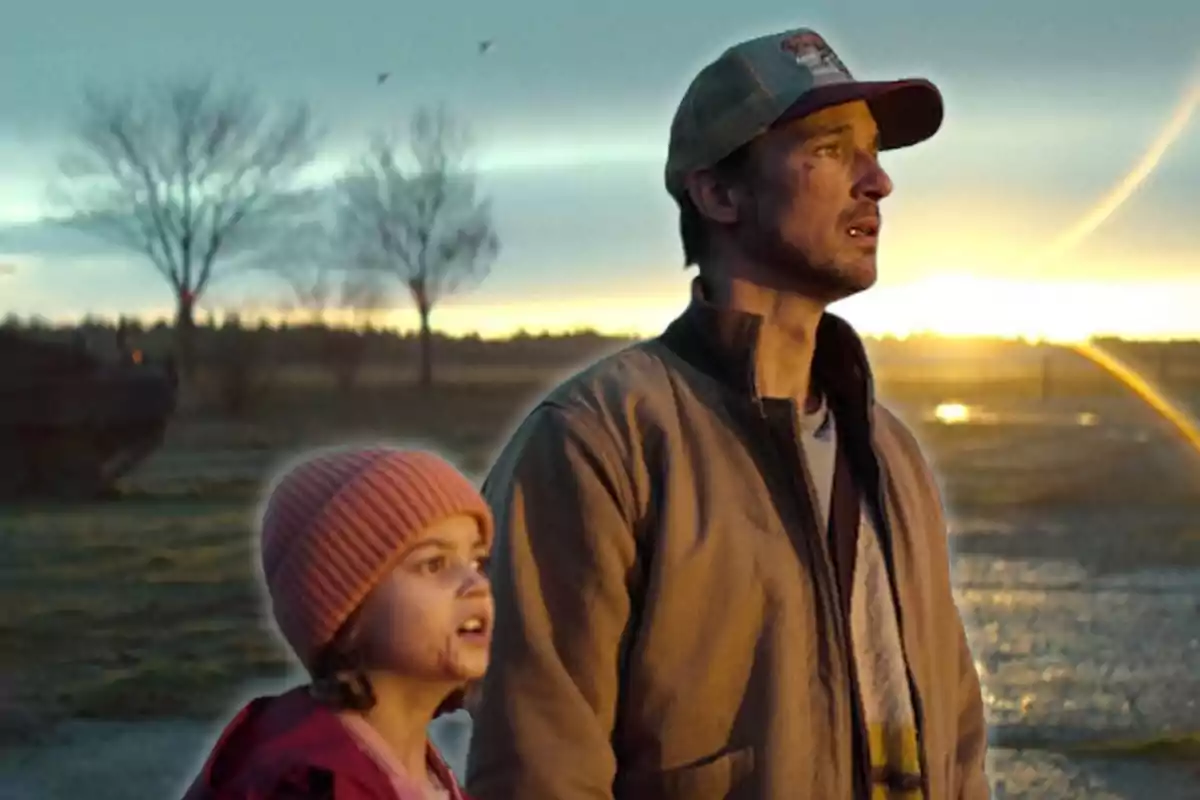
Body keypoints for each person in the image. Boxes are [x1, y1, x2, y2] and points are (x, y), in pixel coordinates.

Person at [467, 26, 990, 800]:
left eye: (874, 151)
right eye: (828, 148)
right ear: (719, 193)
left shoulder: (889, 452)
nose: (876, 182)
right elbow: (539, 765)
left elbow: (958, 740)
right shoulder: (600, 440)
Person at [181, 445, 493, 799]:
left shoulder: (423, 777)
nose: (478, 586)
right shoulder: (305, 784)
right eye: (433, 564)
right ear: (348, 610)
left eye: (479, 562)